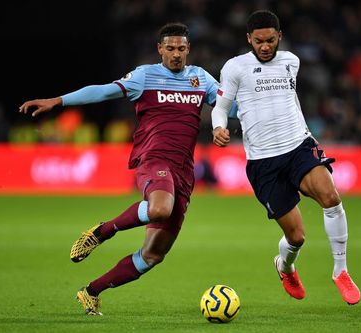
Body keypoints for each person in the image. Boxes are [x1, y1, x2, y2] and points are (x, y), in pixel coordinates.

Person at [19, 23, 222, 315]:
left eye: (181, 48)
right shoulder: (144, 76)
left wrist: (234, 119)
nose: (176, 54)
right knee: (161, 208)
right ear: (160, 49)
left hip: (184, 171)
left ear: (188, 49)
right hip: (154, 159)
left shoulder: (200, 78)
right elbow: (102, 92)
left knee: (153, 255)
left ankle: (91, 292)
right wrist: (59, 101)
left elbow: (228, 105)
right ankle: (102, 231)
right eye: (170, 48)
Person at [211, 10, 361, 305]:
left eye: (269, 40)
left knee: (331, 198)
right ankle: (285, 266)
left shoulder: (292, 62)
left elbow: (290, 100)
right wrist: (219, 127)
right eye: (258, 41)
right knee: (297, 238)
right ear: (248, 39)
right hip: (263, 162)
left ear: (279, 37)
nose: (264, 47)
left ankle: (340, 271)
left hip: (298, 147)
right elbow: (221, 106)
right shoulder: (235, 67)